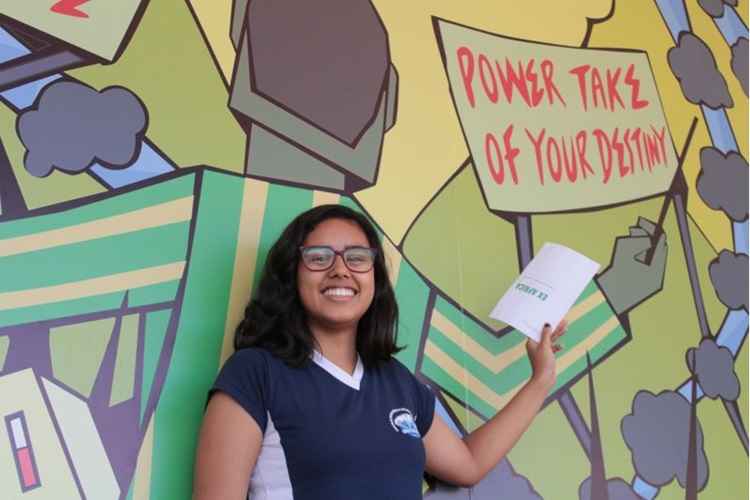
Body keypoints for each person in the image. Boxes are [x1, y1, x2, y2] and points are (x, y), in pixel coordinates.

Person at [193, 204, 566, 500]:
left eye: (357, 257)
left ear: (375, 279)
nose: (340, 270)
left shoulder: (396, 381)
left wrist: (540, 379)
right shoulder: (254, 373)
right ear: (292, 275)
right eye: (319, 257)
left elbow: (467, 464)